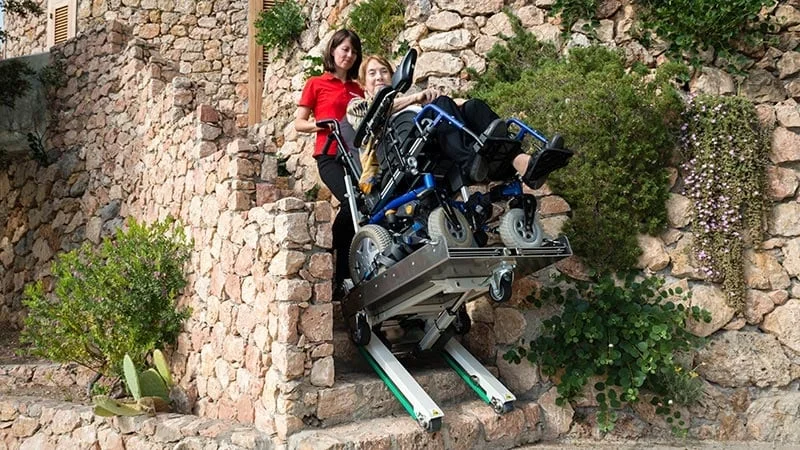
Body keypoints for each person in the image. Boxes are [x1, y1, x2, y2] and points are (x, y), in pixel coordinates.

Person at [351, 55, 557, 189]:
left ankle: (523, 164)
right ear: (363, 84)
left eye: (384, 71)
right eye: (372, 73)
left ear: (392, 77)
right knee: (440, 106)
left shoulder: (409, 100)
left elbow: (442, 105)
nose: (379, 76)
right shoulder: (358, 105)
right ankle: (471, 162)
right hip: (398, 148)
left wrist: (461, 105)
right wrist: (417, 98)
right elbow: (375, 113)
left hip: (428, 134)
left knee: (472, 106)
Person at [294, 29, 364, 295]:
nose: (348, 55)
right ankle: (332, 251)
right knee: (350, 201)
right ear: (333, 50)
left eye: (353, 51)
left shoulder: (358, 89)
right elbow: (298, 123)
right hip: (329, 155)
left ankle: (346, 272)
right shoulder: (316, 83)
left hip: (356, 157)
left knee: (362, 207)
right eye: (344, 49)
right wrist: (320, 124)